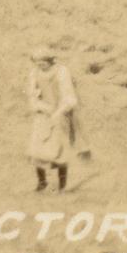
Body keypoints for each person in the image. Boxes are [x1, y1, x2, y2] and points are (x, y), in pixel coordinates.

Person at [28, 48, 82, 192]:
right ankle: (42, 182)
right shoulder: (34, 73)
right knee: (37, 149)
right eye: (38, 63)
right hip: (43, 113)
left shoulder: (61, 71)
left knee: (59, 150)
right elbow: (32, 95)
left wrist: (58, 112)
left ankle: (62, 185)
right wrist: (40, 107)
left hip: (59, 113)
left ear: (50, 61)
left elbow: (69, 97)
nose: (40, 65)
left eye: (43, 62)